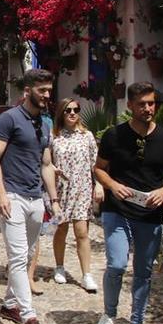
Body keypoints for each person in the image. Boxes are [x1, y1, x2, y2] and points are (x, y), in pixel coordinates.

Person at [93, 82, 163, 324]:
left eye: (151, 103)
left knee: (143, 272)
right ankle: (109, 316)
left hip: (150, 213)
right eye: (142, 104)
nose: (148, 108)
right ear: (130, 106)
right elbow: (99, 169)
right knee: (117, 264)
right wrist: (112, 185)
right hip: (117, 211)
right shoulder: (113, 136)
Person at [0, 68, 60, 324]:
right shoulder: (9, 119)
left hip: (35, 198)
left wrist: (53, 199)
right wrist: (1, 193)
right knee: (18, 257)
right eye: (42, 90)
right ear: (27, 90)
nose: (46, 95)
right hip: (13, 196)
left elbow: (46, 163)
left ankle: (9, 305)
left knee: (28, 254)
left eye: (49, 91)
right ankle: (29, 316)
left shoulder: (45, 122)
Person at [50, 98, 104, 292]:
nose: (72, 113)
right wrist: (53, 170)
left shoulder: (87, 136)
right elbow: (46, 161)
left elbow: (95, 163)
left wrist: (98, 184)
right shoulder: (54, 136)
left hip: (82, 188)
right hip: (62, 189)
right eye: (68, 110)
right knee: (62, 229)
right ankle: (59, 266)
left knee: (82, 232)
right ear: (61, 114)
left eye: (76, 109)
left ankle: (86, 274)